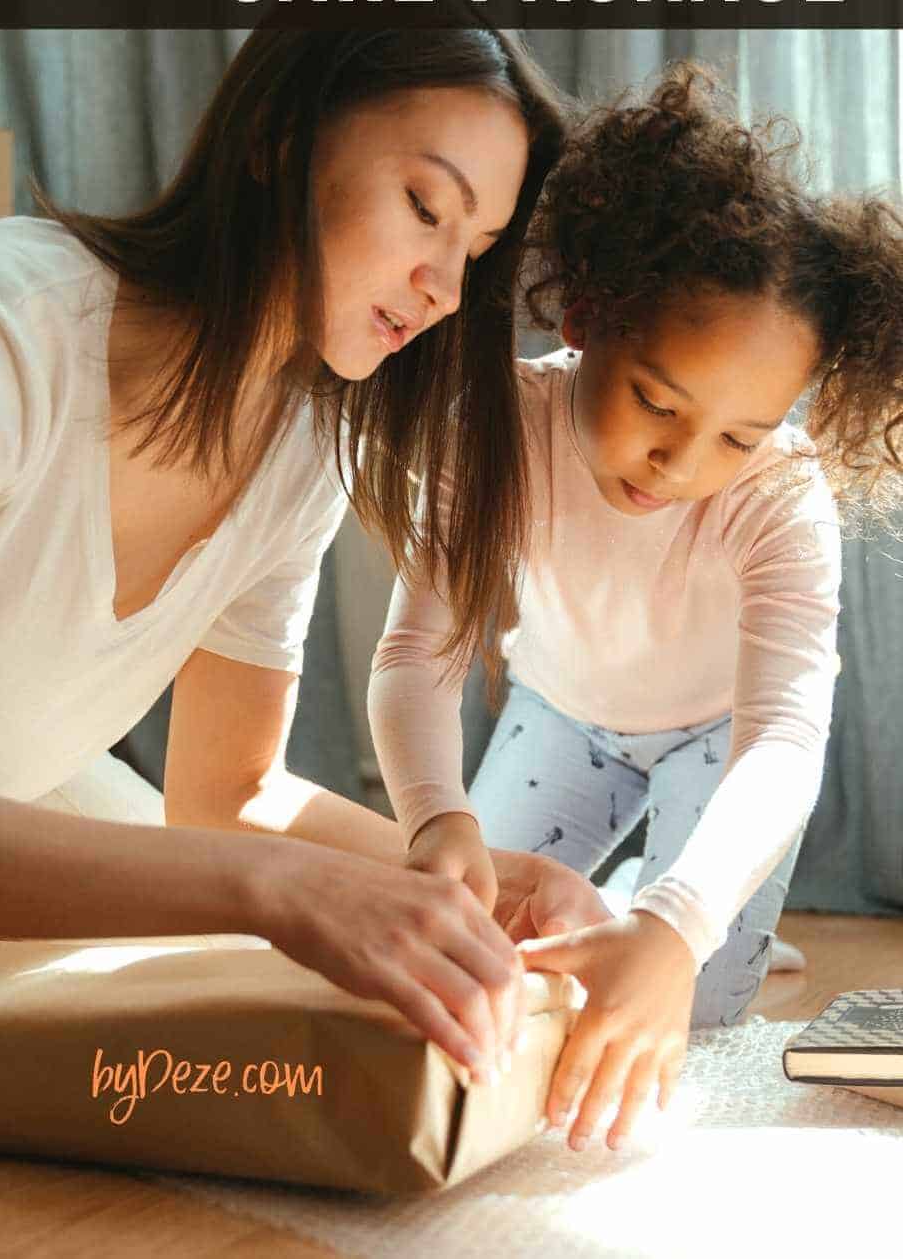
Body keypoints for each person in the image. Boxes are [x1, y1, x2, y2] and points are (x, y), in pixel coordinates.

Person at [0, 13, 609, 1082]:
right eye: (425, 207)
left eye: (472, 249)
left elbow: (227, 794)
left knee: (231, 1000)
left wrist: (461, 871)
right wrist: (273, 889)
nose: (446, 287)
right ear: (277, 138)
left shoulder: (302, 442)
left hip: (1, 789)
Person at [369, 63, 903, 1141]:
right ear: (588, 313)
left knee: (689, 998)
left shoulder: (781, 496)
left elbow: (784, 742)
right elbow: (415, 653)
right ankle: (648, 898)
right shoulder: (500, 427)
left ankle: (705, 908)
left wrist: (679, 920)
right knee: (487, 940)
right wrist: (434, 823)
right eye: (656, 401)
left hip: (717, 740)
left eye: (738, 436)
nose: (681, 461)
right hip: (562, 715)